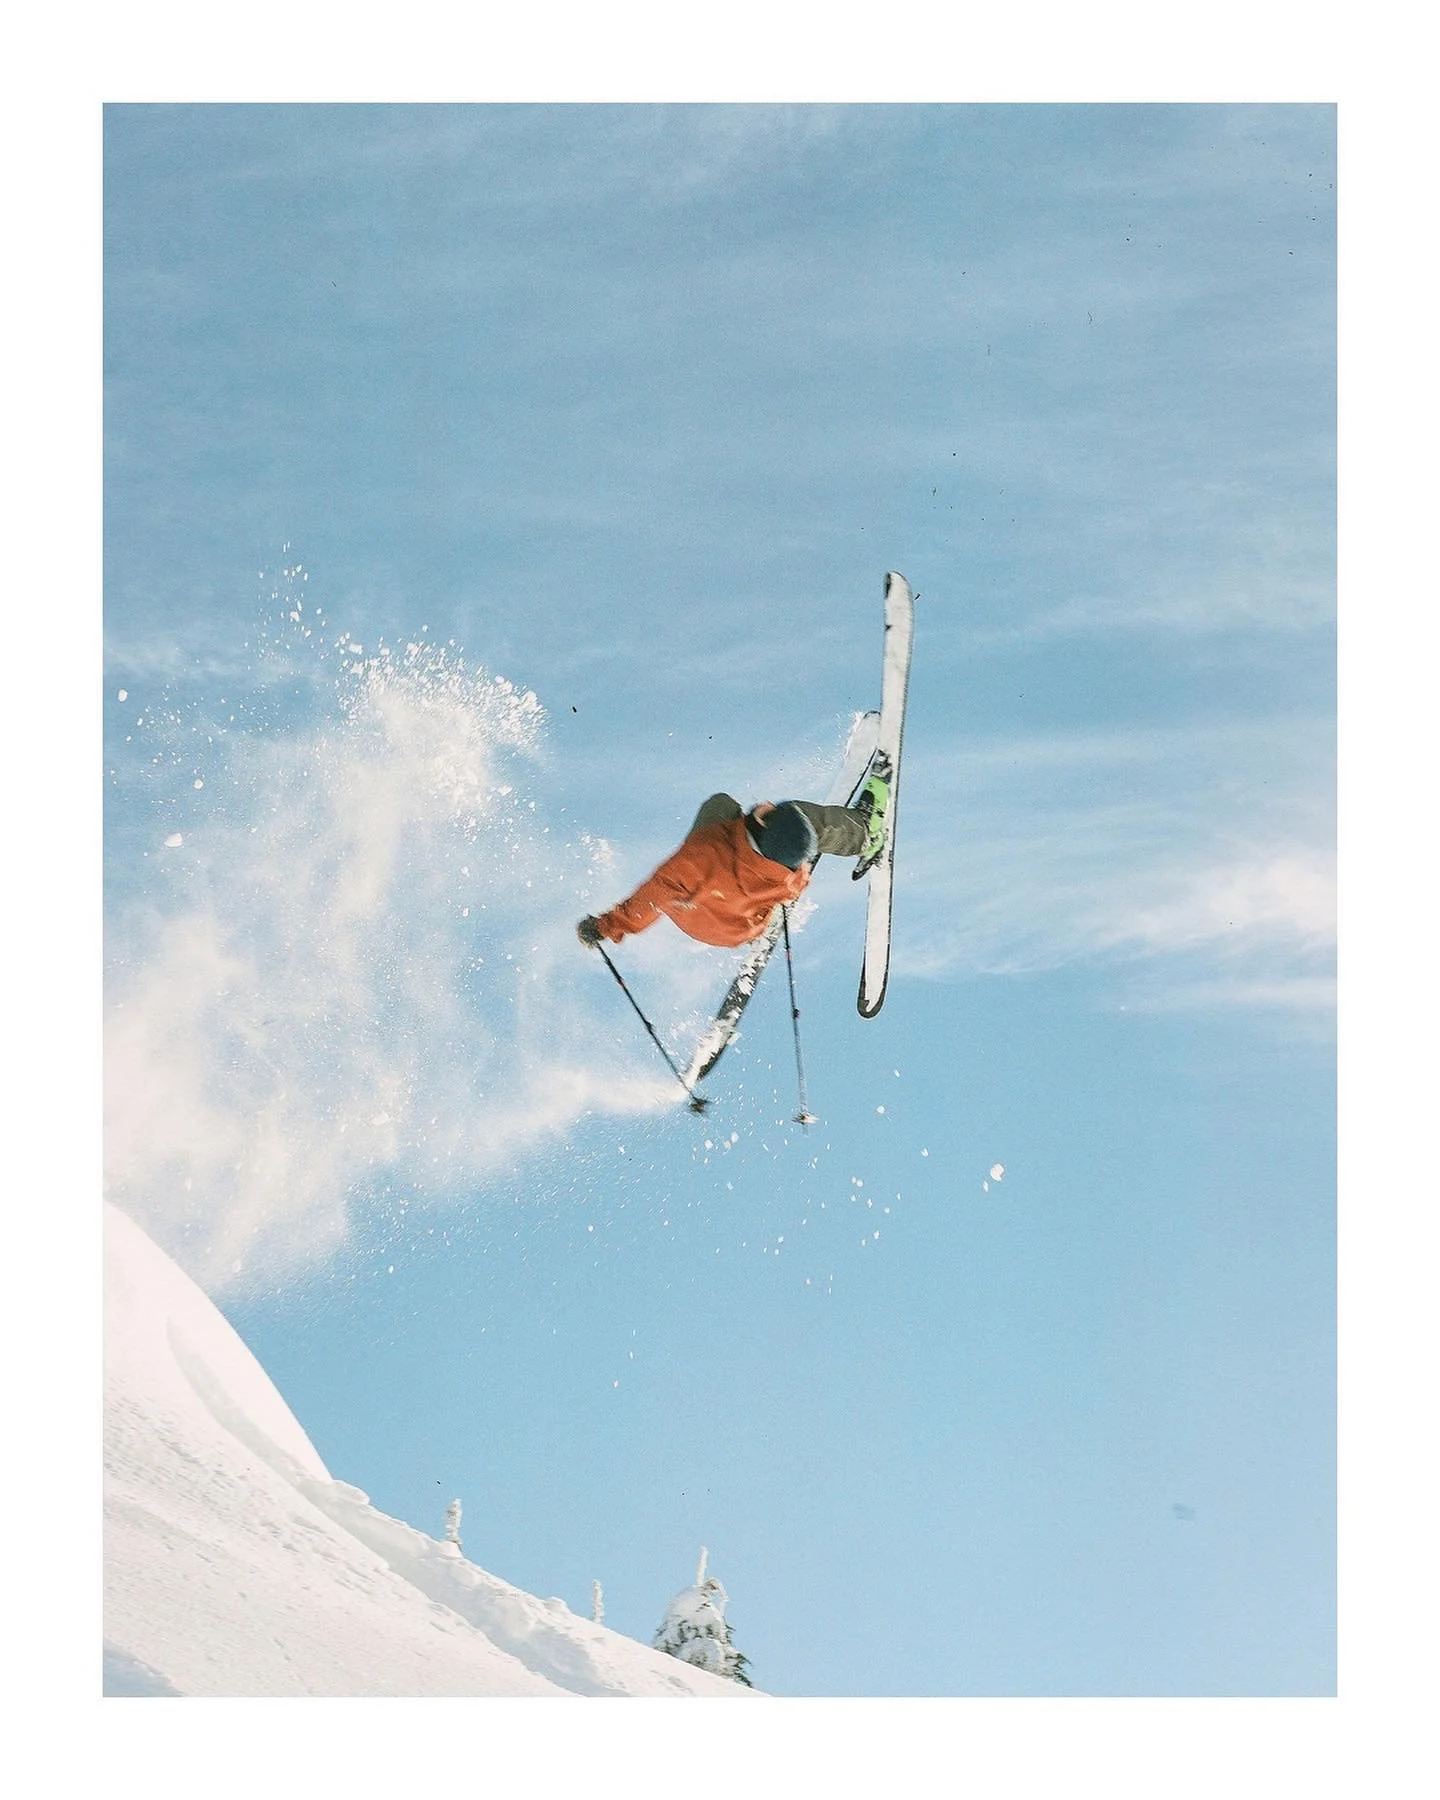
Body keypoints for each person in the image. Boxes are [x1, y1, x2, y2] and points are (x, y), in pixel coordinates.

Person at [576, 769, 888, 952]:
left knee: (723, 804)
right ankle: (861, 833)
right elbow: (796, 862)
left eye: (769, 810)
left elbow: (652, 898)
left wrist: (604, 927)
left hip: (699, 918)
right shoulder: (793, 879)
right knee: (805, 831)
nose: (767, 804)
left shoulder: (701, 857)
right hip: (744, 927)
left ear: (761, 821)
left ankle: (864, 831)